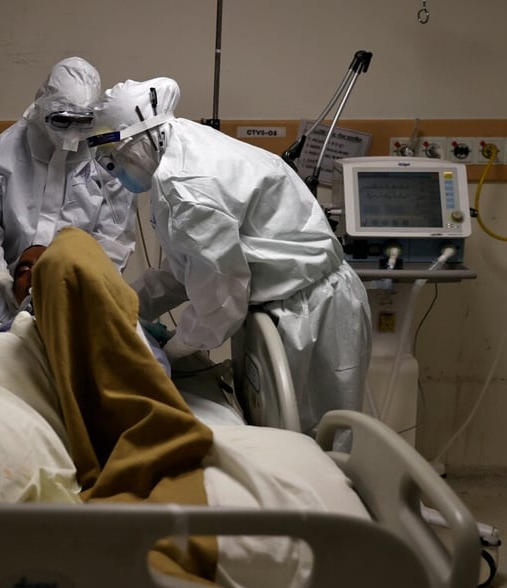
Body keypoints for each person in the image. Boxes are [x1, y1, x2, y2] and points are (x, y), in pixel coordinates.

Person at [87, 77, 371, 437]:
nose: (113, 168)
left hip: (313, 307)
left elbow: (219, 305)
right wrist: (128, 304)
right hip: (276, 305)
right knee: (279, 430)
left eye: (115, 157)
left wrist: (169, 353)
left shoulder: (187, 187)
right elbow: (188, 269)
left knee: (321, 439)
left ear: (144, 139)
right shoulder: (178, 147)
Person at [0, 56, 138, 322]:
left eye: (82, 122)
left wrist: (93, 284)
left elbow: (113, 237)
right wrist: (0, 279)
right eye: (63, 121)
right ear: (42, 106)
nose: (72, 135)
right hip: (3, 304)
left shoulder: (106, 160)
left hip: (77, 297)